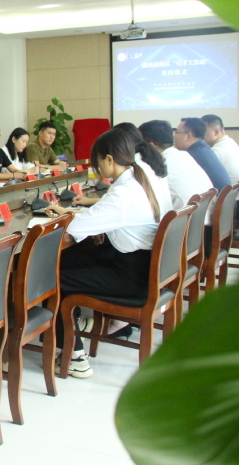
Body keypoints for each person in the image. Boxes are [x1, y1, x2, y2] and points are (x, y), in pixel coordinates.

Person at [46, 128, 174, 378]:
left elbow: (76, 229)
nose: (97, 167)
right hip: (148, 269)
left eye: (97, 161)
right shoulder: (141, 178)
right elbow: (104, 215)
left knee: (52, 280)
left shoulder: (123, 194)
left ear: (109, 159)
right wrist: (75, 215)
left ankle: (75, 357)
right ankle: (75, 325)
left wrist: (67, 216)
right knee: (71, 262)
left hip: (132, 278)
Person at [138, 120, 213, 211]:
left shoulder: (157, 165)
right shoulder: (184, 155)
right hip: (202, 215)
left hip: (184, 217)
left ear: (150, 146)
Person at [174, 117, 230, 191]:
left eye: (177, 133)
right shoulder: (205, 149)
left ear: (188, 136)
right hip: (222, 196)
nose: (174, 136)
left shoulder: (190, 156)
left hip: (216, 197)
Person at [202, 114, 239, 187]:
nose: (200, 135)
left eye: (203, 132)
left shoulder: (216, 151)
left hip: (230, 193)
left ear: (216, 132)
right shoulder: (230, 142)